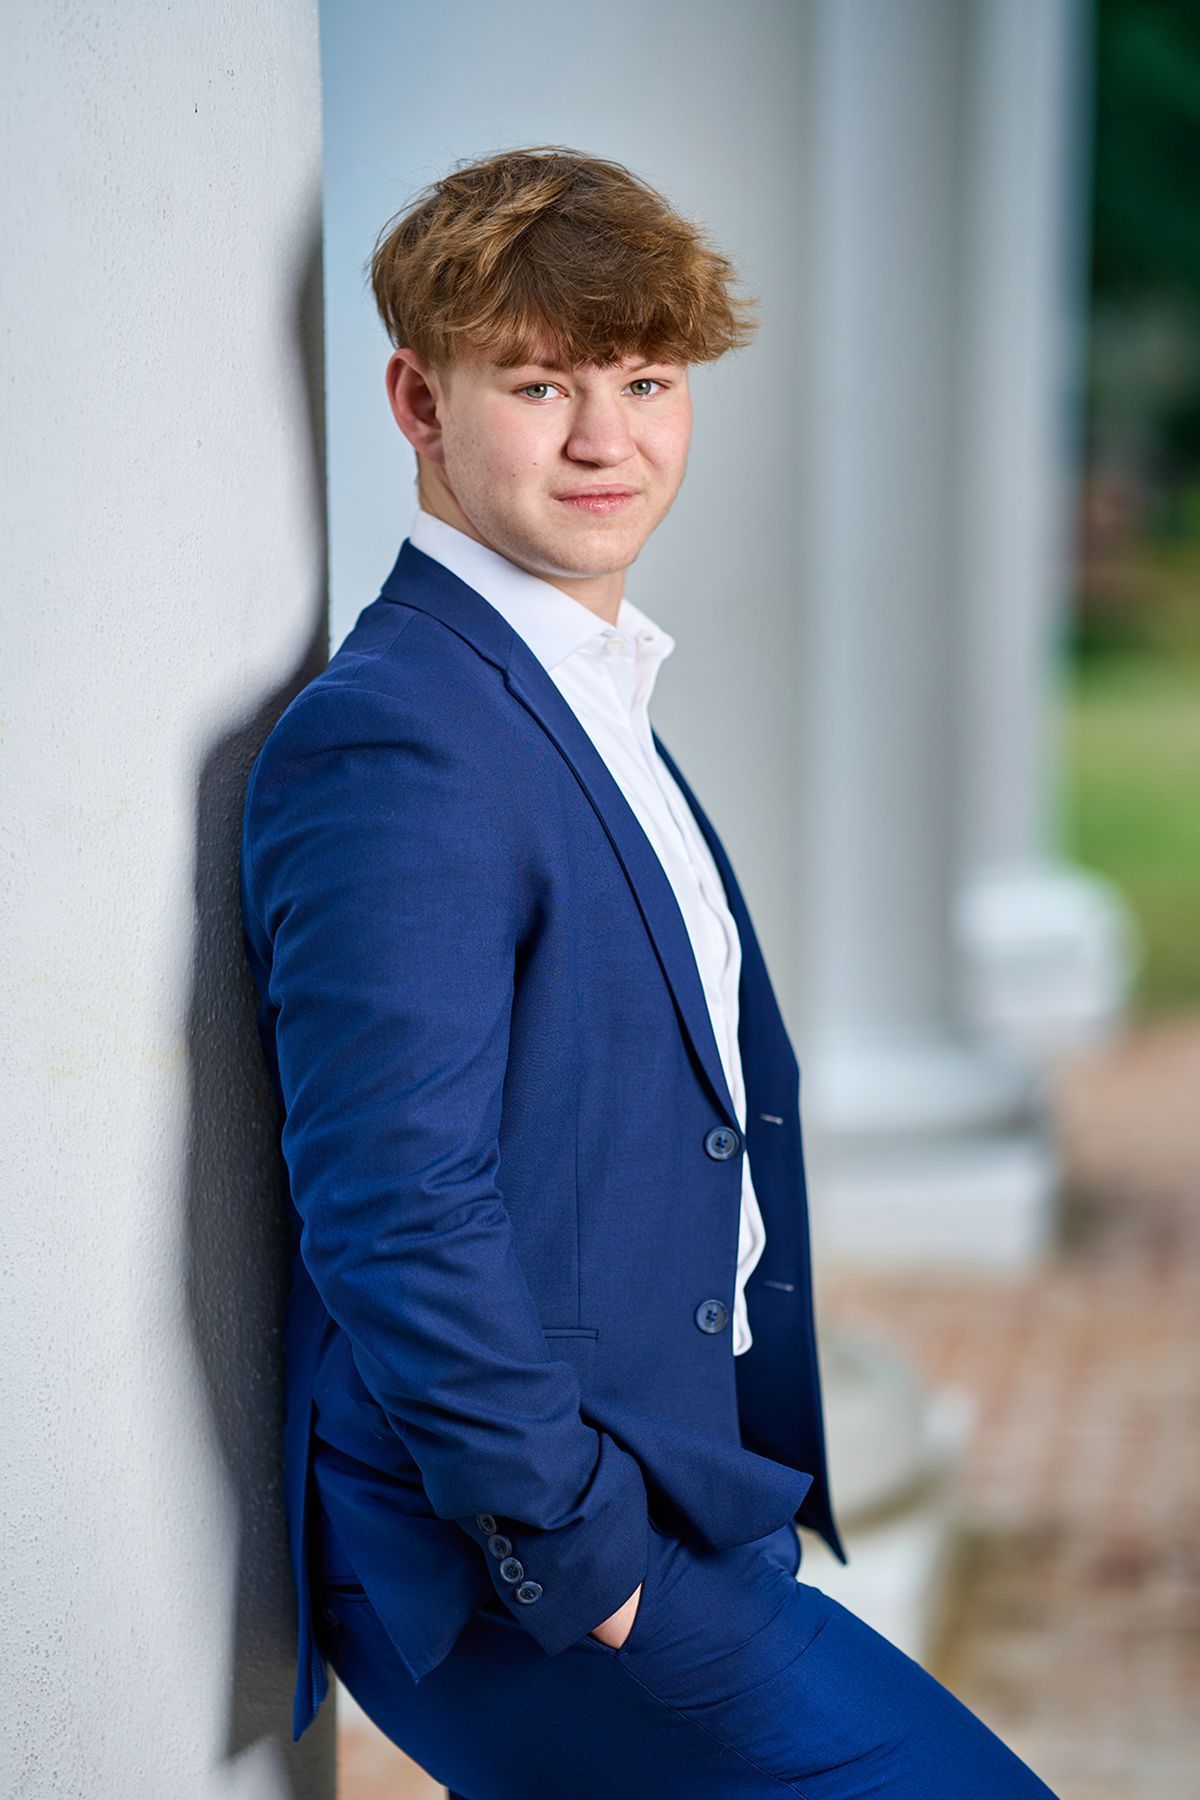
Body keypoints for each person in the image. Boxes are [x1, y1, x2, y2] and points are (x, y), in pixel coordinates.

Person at [239, 144, 1059, 1798]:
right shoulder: (401, 735)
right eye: (539, 384)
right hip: (512, 1558)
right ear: (417, 398)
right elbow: (394, 1197)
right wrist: (577, 1548)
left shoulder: (572, 677)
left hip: (669, 1495)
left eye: (646, 378)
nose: (607, 437)